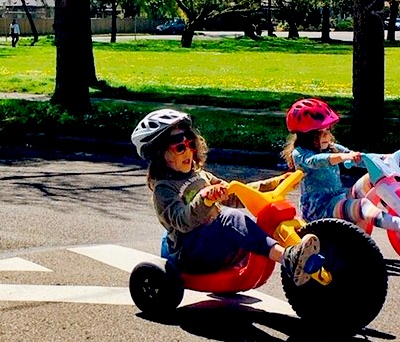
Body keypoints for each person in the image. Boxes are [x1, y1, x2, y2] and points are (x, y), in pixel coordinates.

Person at [132, 108, 322, 285]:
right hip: (191, 254)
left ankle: (303, 251)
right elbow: (182, 221)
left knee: (246, 217)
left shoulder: (200, 175)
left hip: (214, 246)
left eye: (191, 144)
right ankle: (287, 258)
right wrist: (205, 199)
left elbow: (236, 192)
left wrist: (275, 182)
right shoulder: (164, 190)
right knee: (230, 218)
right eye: (180, 148)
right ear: (159, 155)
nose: (189, 151)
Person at [282, 97, 400, 240]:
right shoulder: (300, 153)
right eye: (321, 133)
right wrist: (342, 157)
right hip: (319, 210)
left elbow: (362, 158)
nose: (328, 135)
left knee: (373, 178)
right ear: (306, 135)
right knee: (362, 205)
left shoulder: (332, 148)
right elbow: (315, 161)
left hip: (338, 198)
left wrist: (388, 157)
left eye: (328, 130)